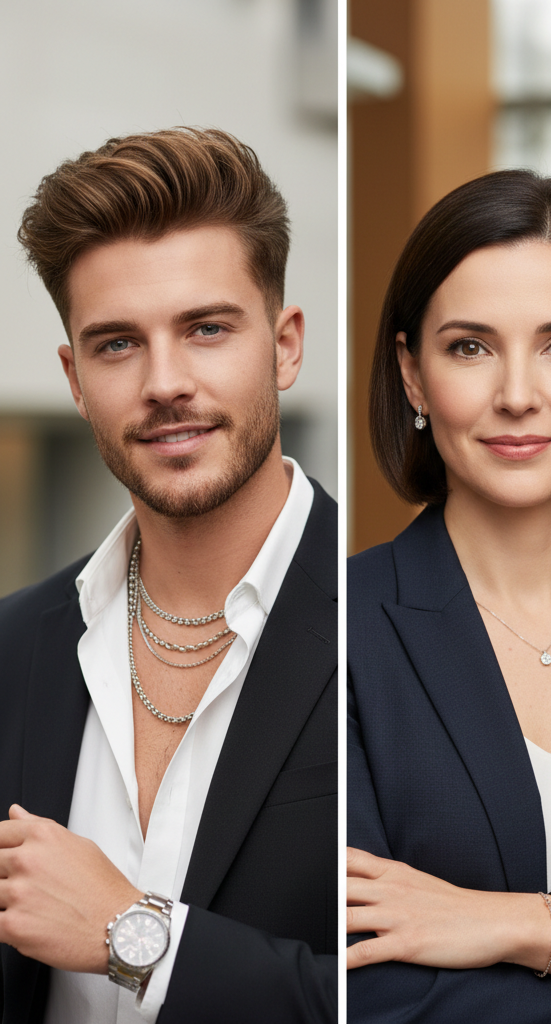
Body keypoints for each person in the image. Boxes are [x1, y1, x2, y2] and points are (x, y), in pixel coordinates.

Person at [0, 128, 337, 1023]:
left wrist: (132, 933)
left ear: (286, 344)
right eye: (117, 345)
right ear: (75, 379)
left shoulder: (410, 624)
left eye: (207, 328)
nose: (165, 382)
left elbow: (445, 1000)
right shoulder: (15, 646)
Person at [347, 169, 551, 1022]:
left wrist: (513, 926)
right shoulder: (330, 625)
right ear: (413, 375)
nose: (518, 395)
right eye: (470, 347)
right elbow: (361, 977)